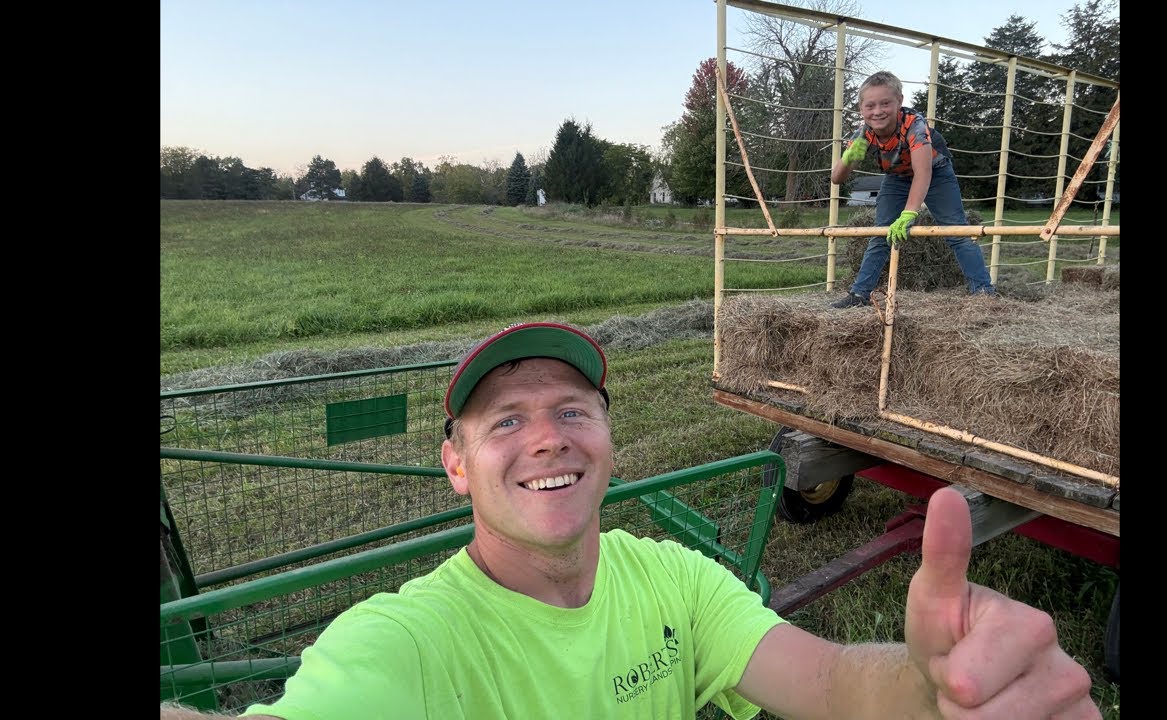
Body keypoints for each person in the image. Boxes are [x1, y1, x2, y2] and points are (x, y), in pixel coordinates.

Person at [161, 321, 1099, 720]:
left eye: (572, 410)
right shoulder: (408, 644)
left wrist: (934, 692)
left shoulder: (673, 580)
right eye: (505, 422)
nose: (547, 441)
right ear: (454, 465)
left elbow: (829, 681)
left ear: (610, 434)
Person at [830, 71, 997, 308]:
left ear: (899, 101)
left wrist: (910, 213)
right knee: (882, 233)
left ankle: (983, 292)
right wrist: (850, 156)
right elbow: (837, 178)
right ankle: (859, 295)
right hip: (896, 178)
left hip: (936, 172)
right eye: (870, 106)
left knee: (956, 231)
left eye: (885, 103)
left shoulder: (914, 124)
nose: (878, 111)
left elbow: (923, 172)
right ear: (861, 109)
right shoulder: (864, 134)